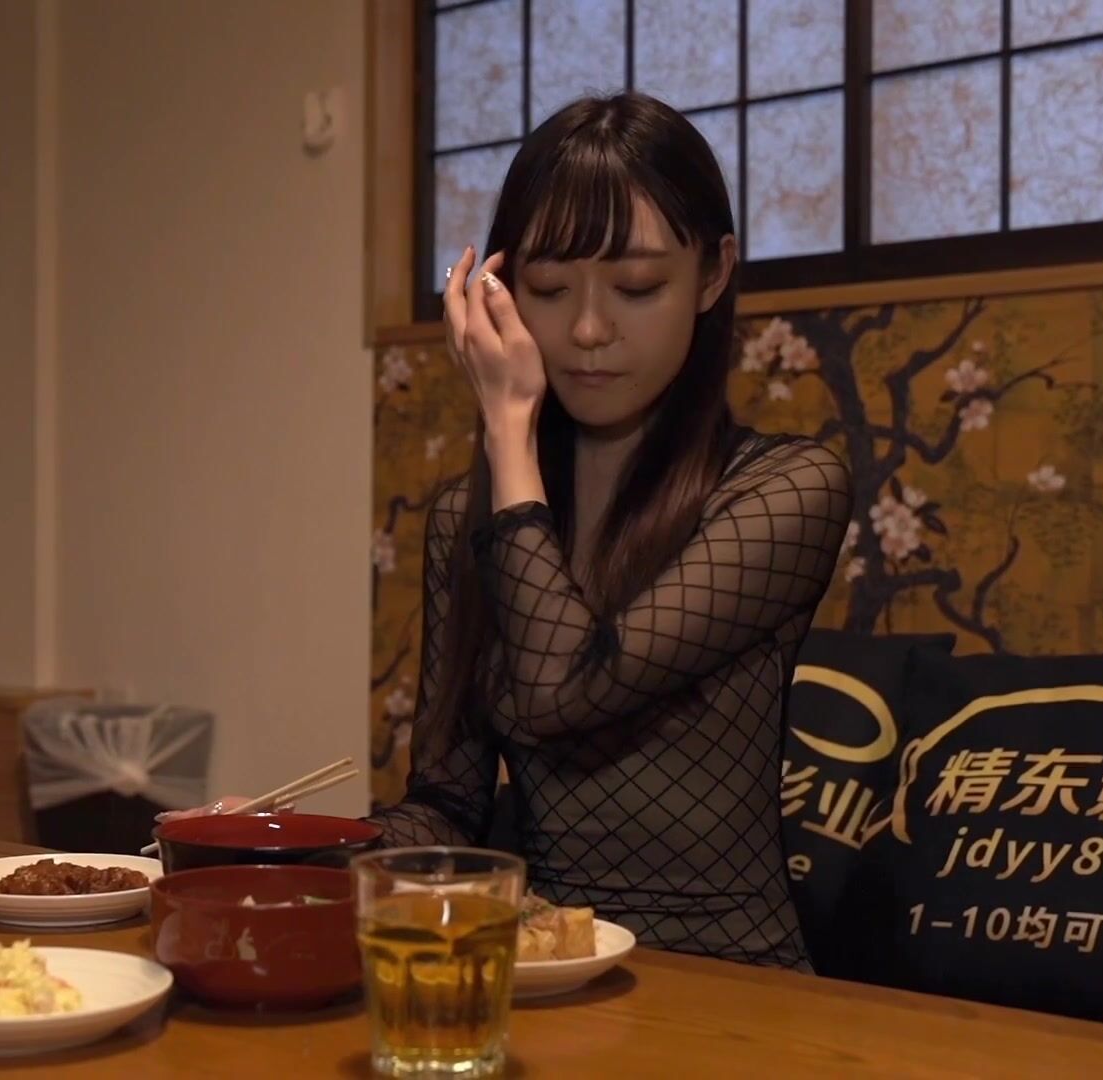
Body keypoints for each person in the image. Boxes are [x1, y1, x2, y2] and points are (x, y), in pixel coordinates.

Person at [163, 91, 852, 970]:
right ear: (499, 290)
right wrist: (284, 847)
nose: (589, 329)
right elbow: (448, 806)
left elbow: (565, 691)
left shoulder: (788, 486)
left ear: (713, 275)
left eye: (638, 287)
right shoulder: (470, 516)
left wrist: (506, 427)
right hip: (538, 967)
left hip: (732, 976)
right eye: (549, 289)